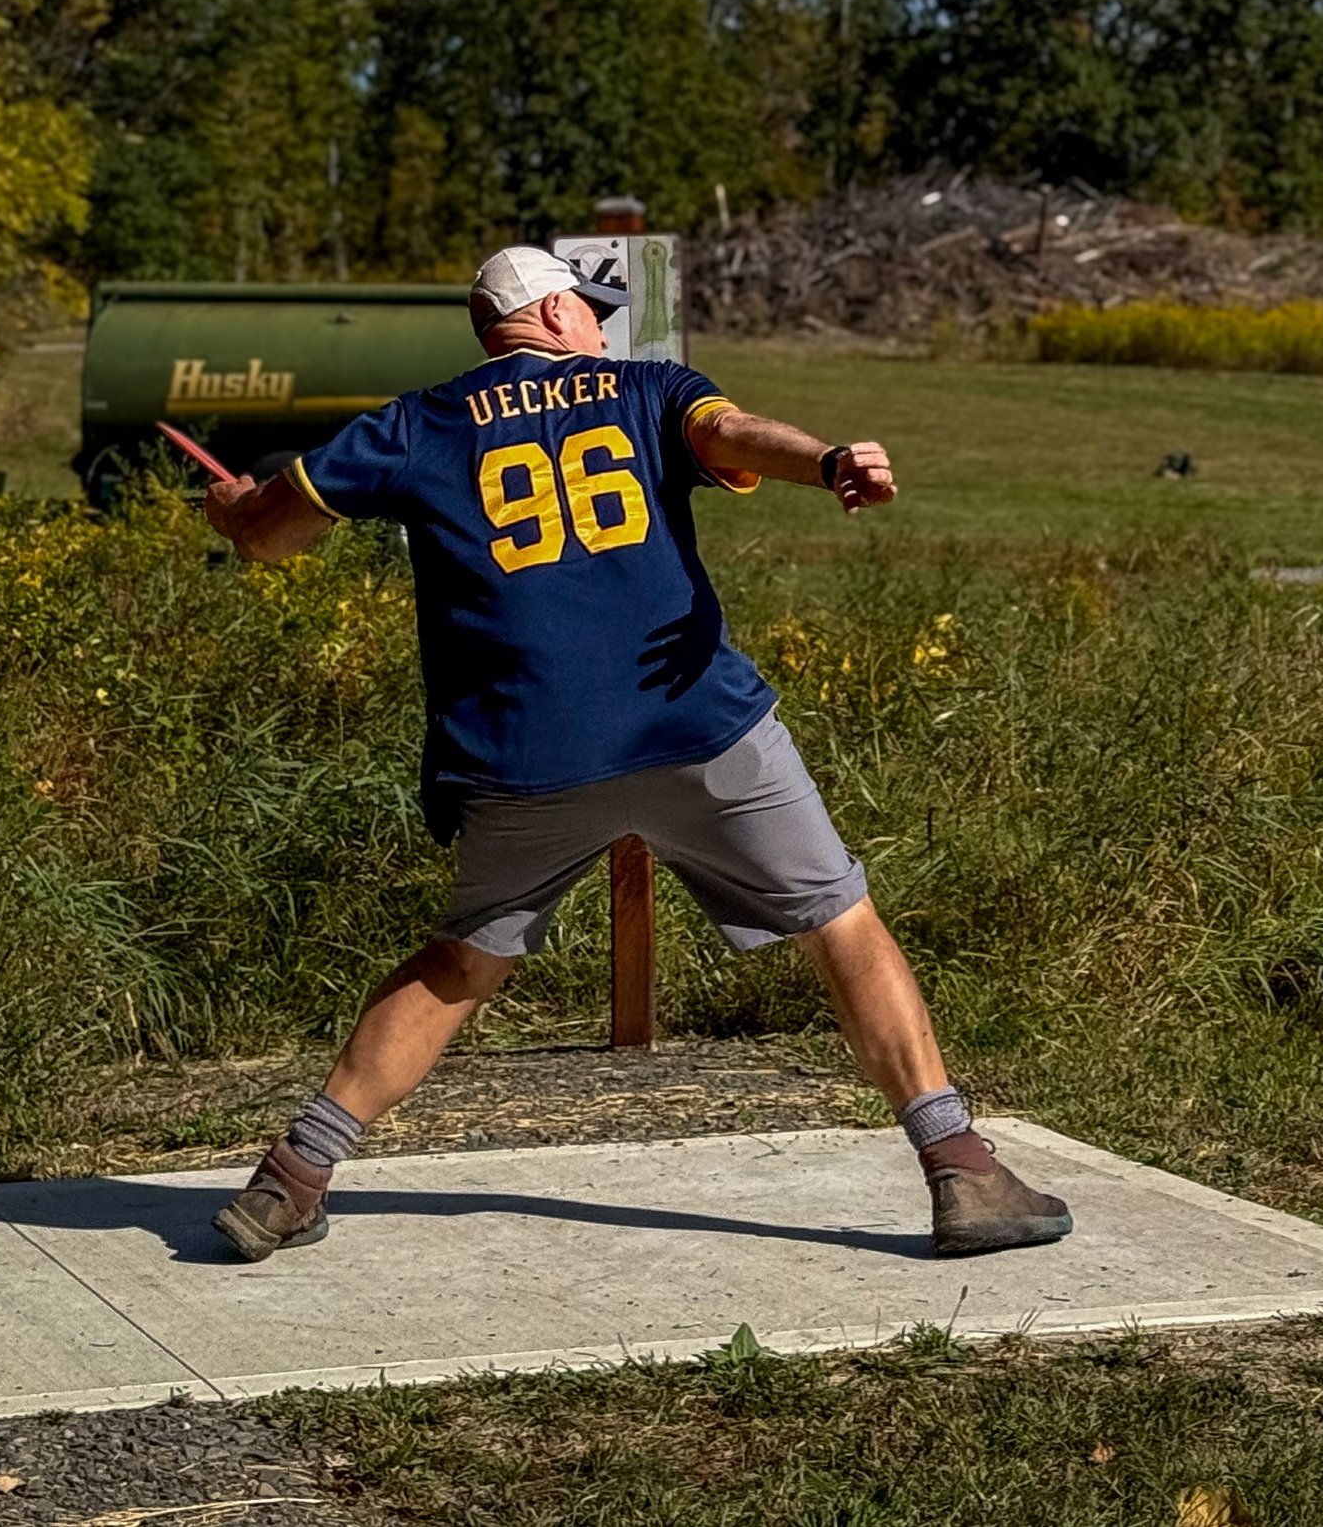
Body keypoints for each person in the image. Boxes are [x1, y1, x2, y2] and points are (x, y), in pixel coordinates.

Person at [200, 242, 1071, 1265]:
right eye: (591, 309)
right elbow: (735, 432)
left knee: (460, 963)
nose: (603, 327)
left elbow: (268, 535)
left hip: (526, 750)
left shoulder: (415, 423)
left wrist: (235, 510)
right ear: (557, 318)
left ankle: (291, 1179)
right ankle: (961, 1171)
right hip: (696, 725)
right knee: (840, 922)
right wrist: (832, 461)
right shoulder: (648, 391)